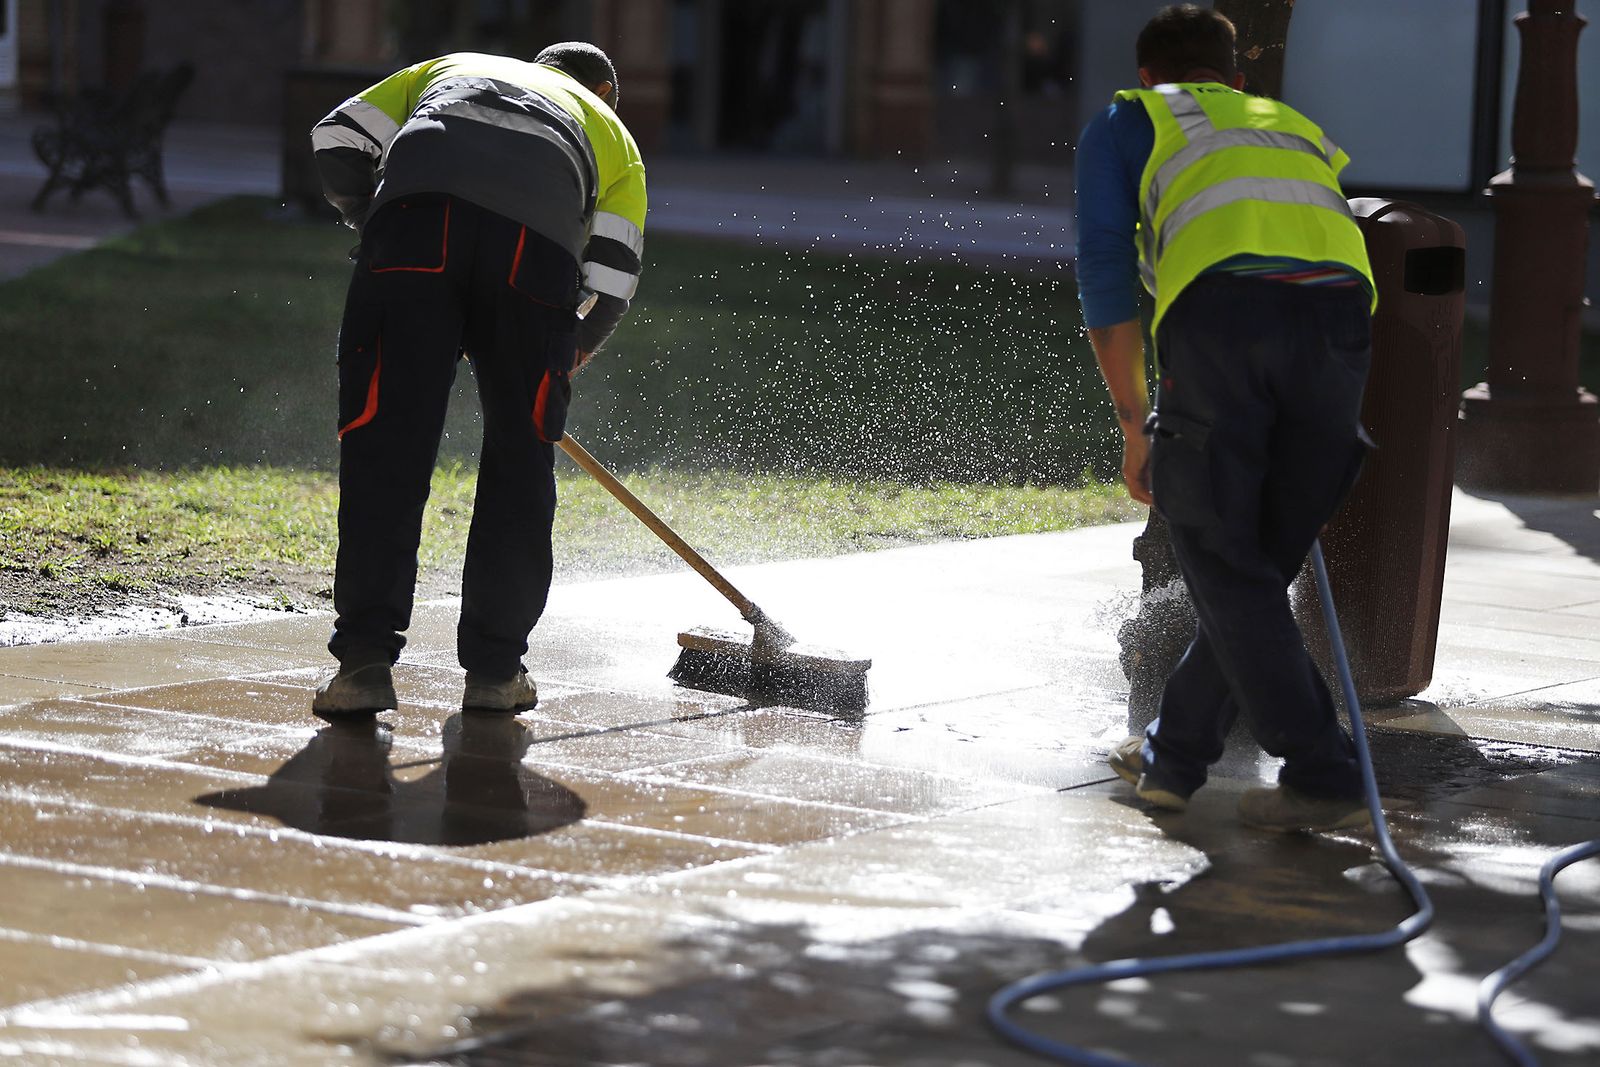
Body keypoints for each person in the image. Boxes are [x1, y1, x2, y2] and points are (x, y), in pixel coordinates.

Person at [1076, 6, 1376, 831]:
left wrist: (1136, 423)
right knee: (1248, 571)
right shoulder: (1291, 126)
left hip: (1230, 318)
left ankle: (1322, 771)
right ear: (1237, 80)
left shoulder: (1127, 122)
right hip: (1343, 330)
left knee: (1221, 556)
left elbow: (1105, 276)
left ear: (1146, 79)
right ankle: (1174, 758)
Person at [307, 42, 646, 717]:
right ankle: (495, 671)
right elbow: (610, 280)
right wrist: (561, 354)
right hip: (534, 252)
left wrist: (373, 223)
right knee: (521, 460)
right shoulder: (612, 134)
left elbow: (335, 139)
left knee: (387, 442)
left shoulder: (455, 67)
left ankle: (363, 663)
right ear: (603, 92)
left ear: (536, 66)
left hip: (413, 226)